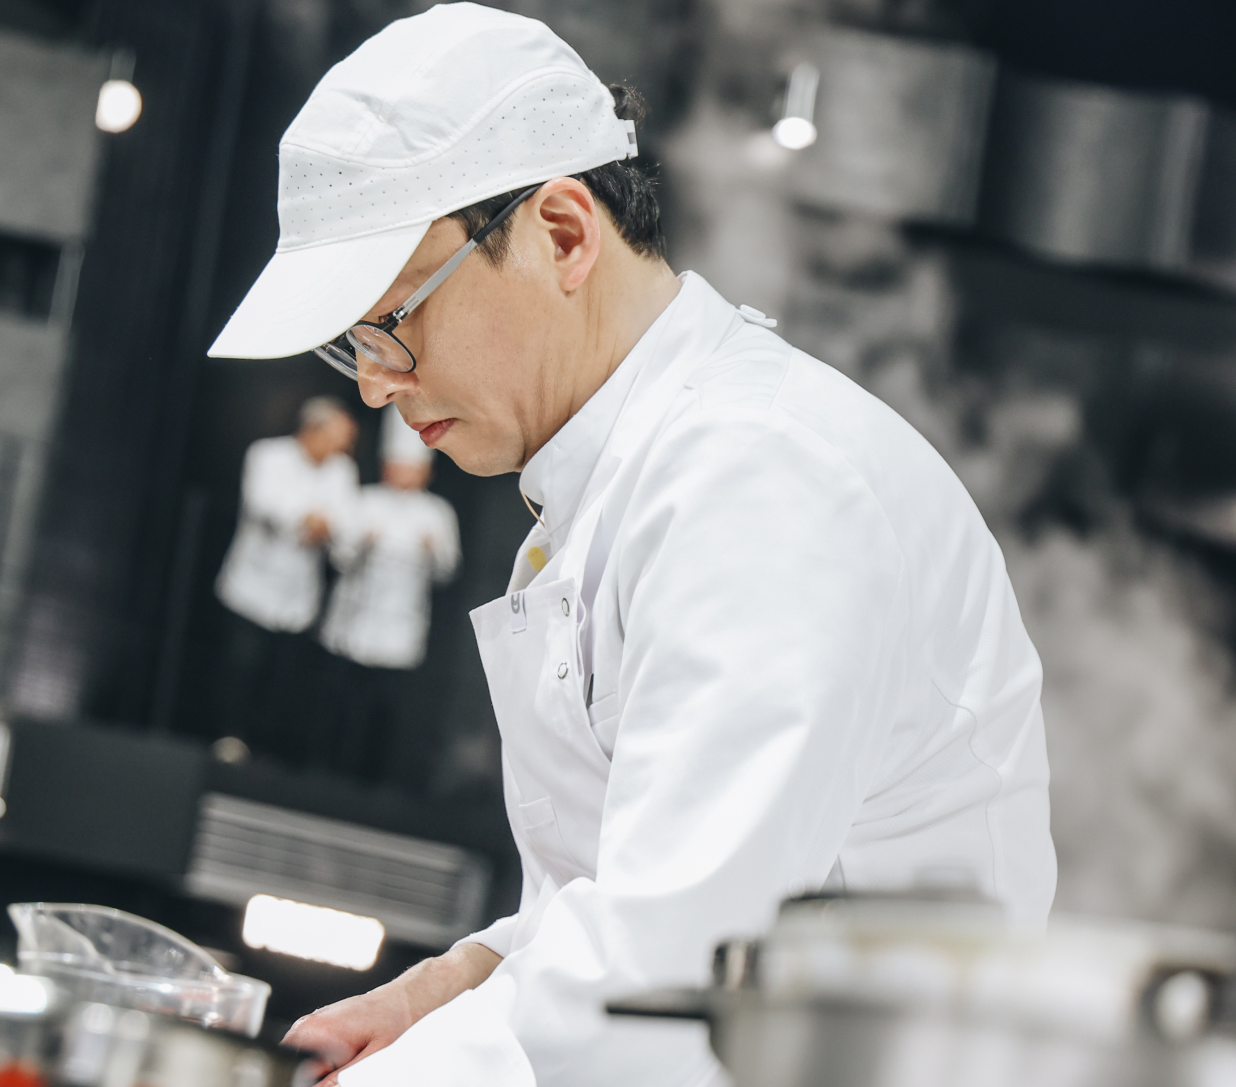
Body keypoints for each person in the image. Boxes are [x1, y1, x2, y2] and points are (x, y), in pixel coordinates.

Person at [205, 6, 1053, 1085]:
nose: (375, 384)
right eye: (351, 346)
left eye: (392, 322)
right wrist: (452, 983)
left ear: (563, 234)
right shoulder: (636, 474)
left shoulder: (759, 479)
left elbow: (665, 976)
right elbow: (641, 896)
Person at [316, 406, 459, 783]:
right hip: (354, 620)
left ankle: (371, 782)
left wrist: (433, 552)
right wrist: (361, 543)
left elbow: (448, 571)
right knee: (341, 701)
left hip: (400, 626)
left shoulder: (437, 514)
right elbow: (339, 556)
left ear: (426, 472)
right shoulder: (365, 501)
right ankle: (325, 774)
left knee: (383, 707)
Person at [211, 396, 359, 761]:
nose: (344, 447)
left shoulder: (342, 470)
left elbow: (347, 523)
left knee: (281, 677)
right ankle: (229, 738)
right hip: (251, 584)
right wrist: (310, 519)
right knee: (241, 667)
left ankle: (266, 749)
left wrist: (324, 525)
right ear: (314, 431)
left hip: (298, 593)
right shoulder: (268, 455)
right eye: (339, 437)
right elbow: (263, 503)